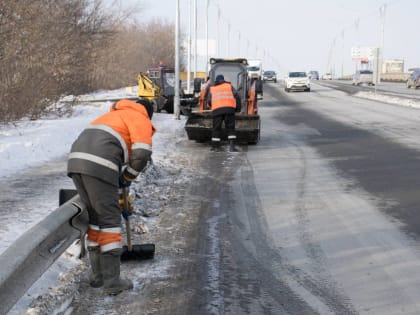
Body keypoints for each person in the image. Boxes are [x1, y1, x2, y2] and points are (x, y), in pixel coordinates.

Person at [67, 98, 155, 295]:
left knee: (96, 220)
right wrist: (127, 177)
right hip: (99, 164)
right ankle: (113, 282)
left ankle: (97, 276)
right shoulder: (140, 116)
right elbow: (142, 153)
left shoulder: (112, 116)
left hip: (76, 163)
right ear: (148, 113)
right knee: (110, 222)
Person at [205, 74, 240, 152]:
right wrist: (237, 109)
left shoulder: (212, 88)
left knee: (216, 128)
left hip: (217, 110)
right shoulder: (229, 86)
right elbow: (237, 96)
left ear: (216, 81)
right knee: (230, 128)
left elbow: (209, 101)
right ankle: (232, 147)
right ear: (223, 80)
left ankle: (215, 147)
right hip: (229, 109)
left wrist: (213, 106)